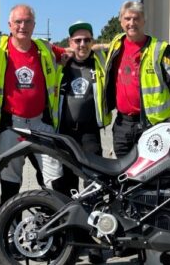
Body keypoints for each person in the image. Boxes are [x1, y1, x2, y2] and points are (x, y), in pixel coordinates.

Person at [0, 4, 66, 207]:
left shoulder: (45, 49)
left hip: (41, 123)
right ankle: (8, 231)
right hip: (10, 125)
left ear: (34, 25)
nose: (22, 26)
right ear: (9, 25)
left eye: (27, 21)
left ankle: (53, 231)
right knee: (10, 182)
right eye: (18, 21)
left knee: (54, 180)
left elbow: (73, 52)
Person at [53, 21, 112, 264]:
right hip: (65, 133)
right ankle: (68, 239)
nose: (82, 44)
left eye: (87, 40)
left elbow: (121, 42)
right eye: (77, 40)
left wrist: (97, 46)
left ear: (93, 41)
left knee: (93, 187)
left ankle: (95, 241)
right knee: (65, 185)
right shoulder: (61, 65)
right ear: (69, 43)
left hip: (90, 134)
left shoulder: (99, 62)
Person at [104, 0, 170, 158]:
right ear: (120, 21)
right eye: (127, 19)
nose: (132, 23)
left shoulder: (161, 50)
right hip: (123, 125)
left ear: (144, 20)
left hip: (154, 126)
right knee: (124, 176)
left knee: (154, 177)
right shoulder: (116, 44)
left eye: (136, 18)